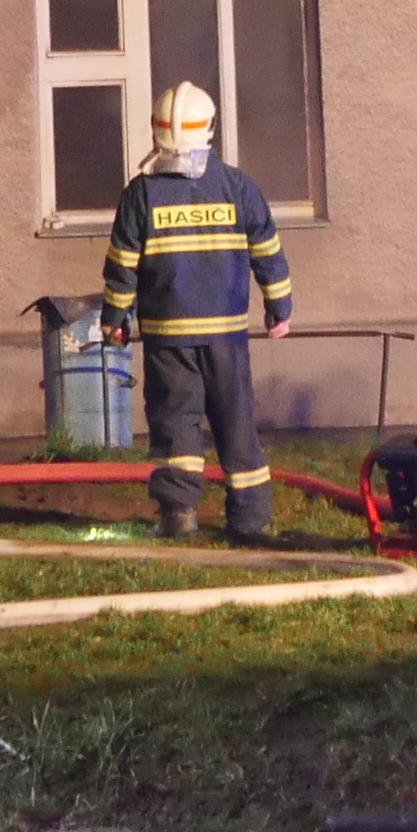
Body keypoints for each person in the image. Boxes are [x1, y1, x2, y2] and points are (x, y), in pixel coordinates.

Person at [98, 82, 295, 545]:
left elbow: (122, 266)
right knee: (236, 421)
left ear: (157, 130)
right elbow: (269, 255)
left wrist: (114, 320)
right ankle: (250, 521)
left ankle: (179, 516)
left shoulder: (141, 194)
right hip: (226, 337)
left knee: (176, 423)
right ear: (209, 127)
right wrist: (279, 309)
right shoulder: (238, 187)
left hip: (168, 338)